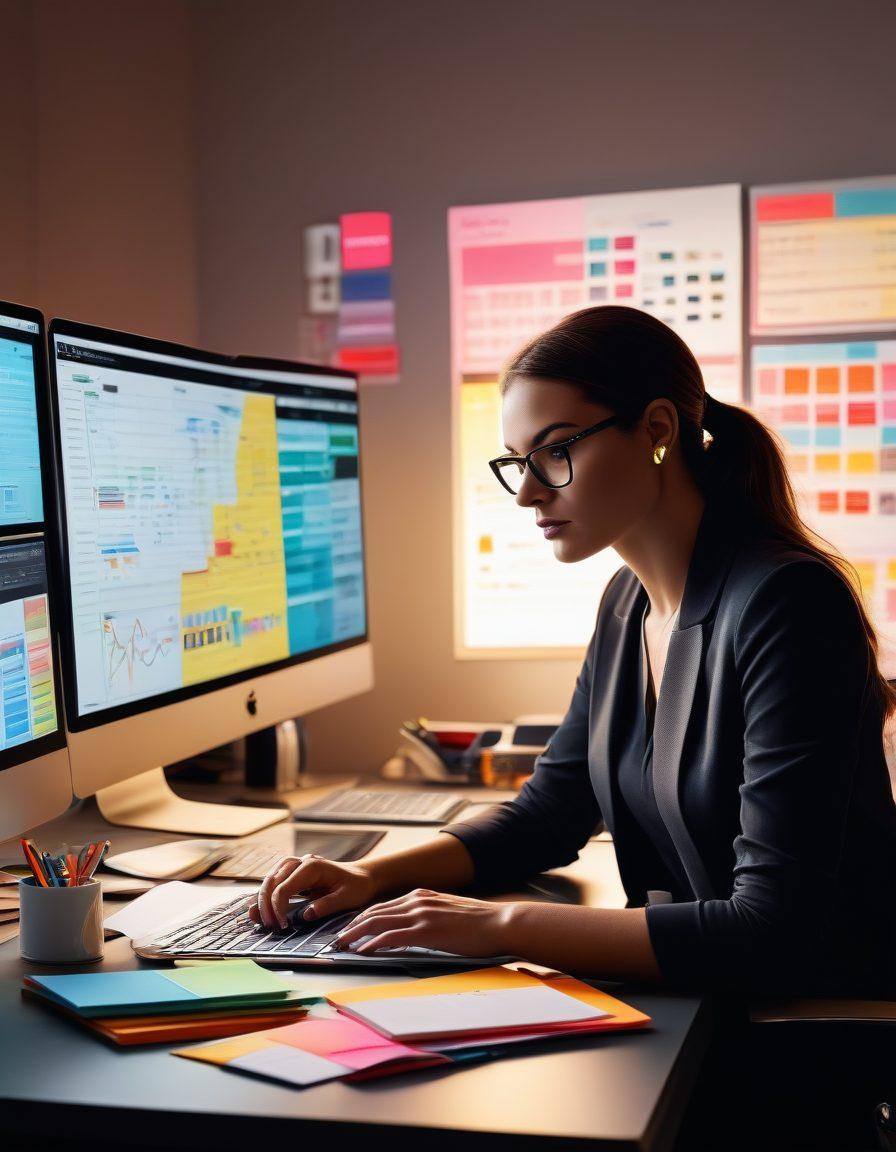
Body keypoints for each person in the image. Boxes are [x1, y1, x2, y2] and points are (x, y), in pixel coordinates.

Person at [251, 305, 896, 997]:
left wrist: (501, 926)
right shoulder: (628, 601)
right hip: (707, 1001)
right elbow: (549, 815)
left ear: (656, 430)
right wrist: (373, 876)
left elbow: (774, 928)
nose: (528, 492)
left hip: (809, 1032)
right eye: (518, 461)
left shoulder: (788, 602)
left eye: (556, 451)